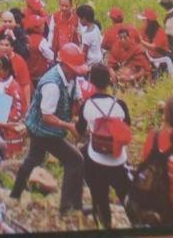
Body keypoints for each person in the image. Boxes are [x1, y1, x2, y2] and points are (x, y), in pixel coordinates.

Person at [10, 43, 87, 216]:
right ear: (65, 65)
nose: (77, 72)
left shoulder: (71, 78)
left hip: (47, 128)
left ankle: (15, 194)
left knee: (34, 158)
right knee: (75, 160)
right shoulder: (52, 84)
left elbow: (76, 99)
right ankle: (68, 207)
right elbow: (47, 116)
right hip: (43, 129)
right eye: (74, 69)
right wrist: (69, 126)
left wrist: (78, 114)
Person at [76, 64, 132, 230]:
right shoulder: (120, 105)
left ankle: (105, 223)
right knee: (126, 195)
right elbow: (127, 126)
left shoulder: (87, 105)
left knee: (100, 196)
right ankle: (136, 221)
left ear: (91, 82)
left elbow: (80, 130)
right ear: (109, 82)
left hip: (96, 158)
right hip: (118, 158)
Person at [0, 55, 27, 156]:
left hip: (10, 128)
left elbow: (18, 109)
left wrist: (6, 121)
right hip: (0, 125)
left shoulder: (14, 87)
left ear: (7, 70)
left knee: (12, 158)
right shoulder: (0, 83)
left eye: (0, 70)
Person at [0, 34, 30, 110]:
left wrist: (27, 106)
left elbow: (26, 85)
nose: (3, 47)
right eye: (1, 44)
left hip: (15, 101)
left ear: (12, 48)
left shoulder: (19, 61)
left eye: (7, 45)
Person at [140, 9, 173, 77]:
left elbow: (154, 47)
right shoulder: (144, 29)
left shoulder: (160, 32)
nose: (142, 22)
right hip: (150, 56)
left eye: (144, 20)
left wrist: (141, 42)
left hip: (161, 57)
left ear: (149, 21)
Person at [24, 14, 55, 84]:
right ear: (36, 28)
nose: (44, 26)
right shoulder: (41, 41)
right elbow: (51, 56)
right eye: (41, 25)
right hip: (41, 74)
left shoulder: (25, 39)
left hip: (29, 74)